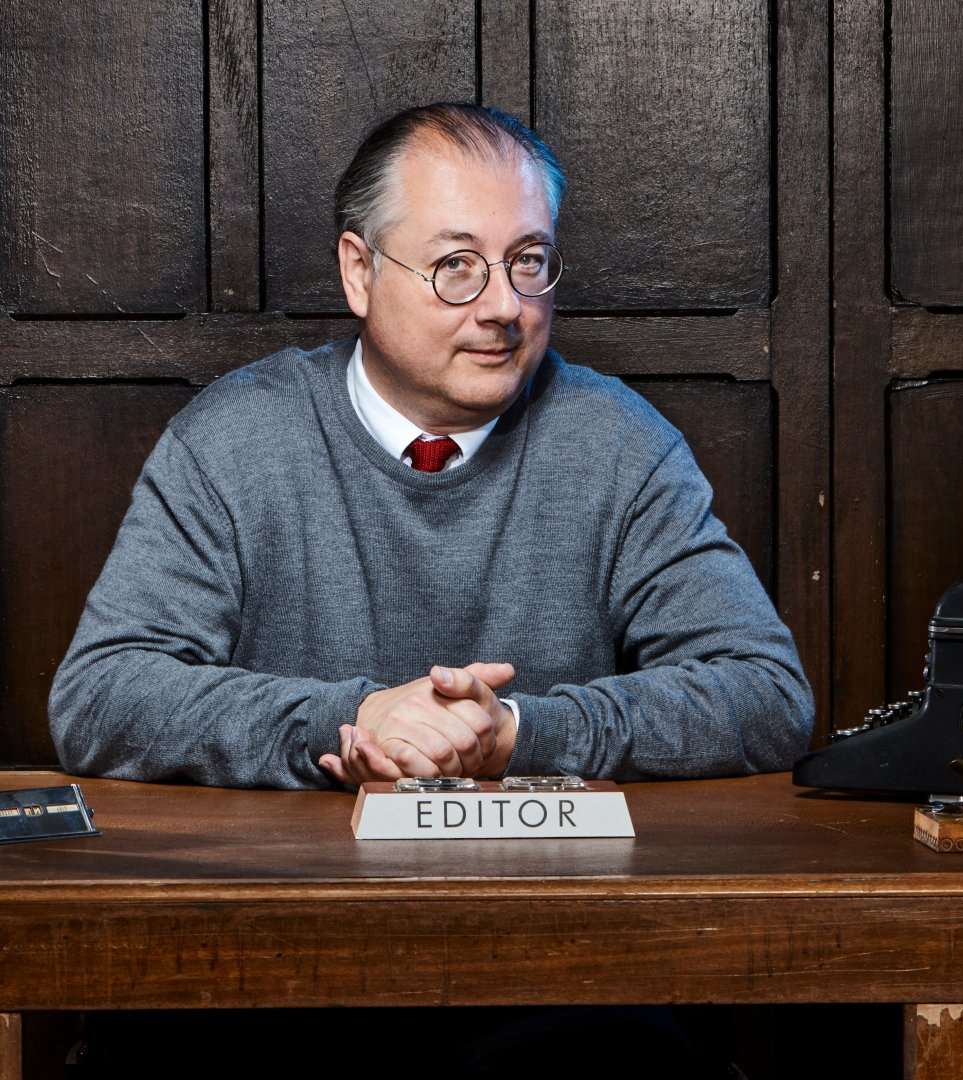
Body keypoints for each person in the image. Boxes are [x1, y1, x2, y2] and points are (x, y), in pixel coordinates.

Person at [48, 103, 813, 789]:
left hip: (548, 902)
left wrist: (515, 733)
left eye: (529, 261)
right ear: (361, 272)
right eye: (457, 268)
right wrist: (350, 721)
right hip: (296, 903)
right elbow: (100, 696)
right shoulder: (232, 441)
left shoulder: (618, 443)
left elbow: (767, 694)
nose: (506, 307)